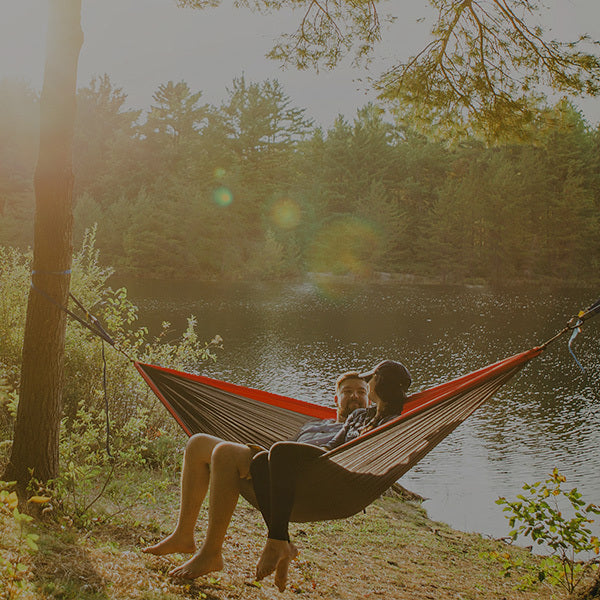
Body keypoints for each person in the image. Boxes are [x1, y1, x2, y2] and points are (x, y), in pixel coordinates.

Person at [142, 370, 369, 580]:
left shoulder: (365, 425)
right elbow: (288, 449)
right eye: (347, 391)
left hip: (315, 484)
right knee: (198, 443)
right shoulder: (312, 424)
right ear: (336, 399)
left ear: (370, 399)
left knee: (225, 453)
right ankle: (183, 535)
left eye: (362, 392)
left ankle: (211, 554)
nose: (355, 396)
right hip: (279, 471)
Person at [251, 359, 411, 592]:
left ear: (381, 384)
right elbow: (335, 443)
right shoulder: (359, 416)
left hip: (349, 477)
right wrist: (313, 455)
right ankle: (281, 541)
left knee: (280, 450)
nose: (368, 385)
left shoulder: (393, 422)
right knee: (259, 463)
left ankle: (276, 542)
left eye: (371, 380)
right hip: (331, 462)